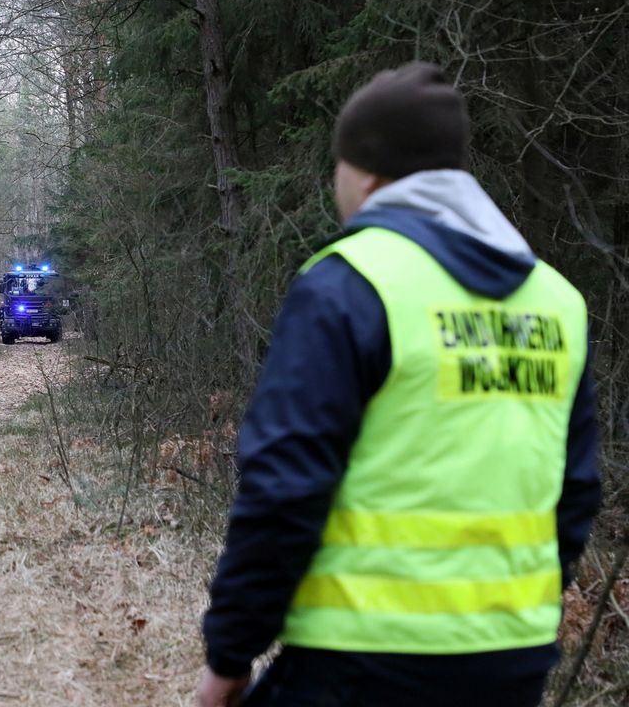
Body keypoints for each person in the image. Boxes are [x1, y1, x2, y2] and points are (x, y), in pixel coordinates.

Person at [196, 62, 601, 707]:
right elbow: (575, 492)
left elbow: (284, 488)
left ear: (367, 174)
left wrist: (229, 653)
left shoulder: (349, 284)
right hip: (511, 662)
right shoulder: (557, 302)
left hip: (360, 661)